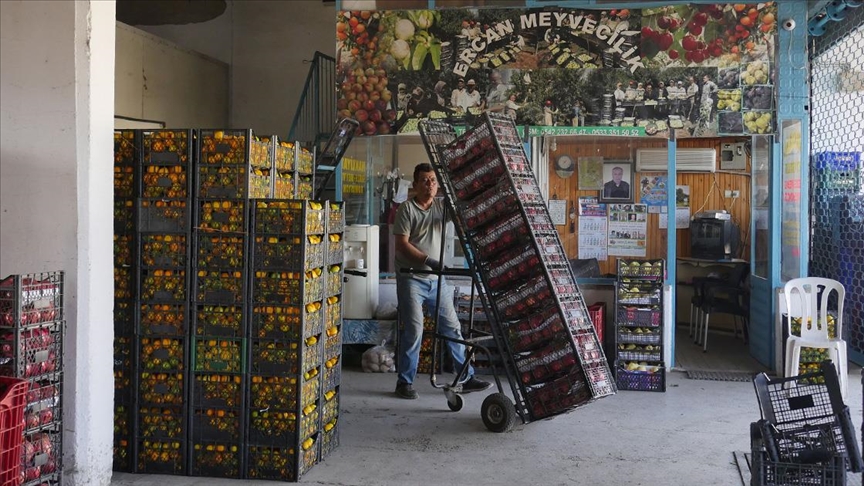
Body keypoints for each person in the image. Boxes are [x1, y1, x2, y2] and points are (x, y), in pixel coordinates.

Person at [393, 163, 492, 399]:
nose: (430, 185)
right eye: (425, 181)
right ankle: (404, 382)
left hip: (437, 280)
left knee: (452, 327)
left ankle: (466, 377)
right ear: (415, 184)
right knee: (415, 329)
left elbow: (461, 215)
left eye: (434, 180)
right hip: (412, 278)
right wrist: (428, 260)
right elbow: (402, 244)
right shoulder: (406, 210)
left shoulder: (441, 207)